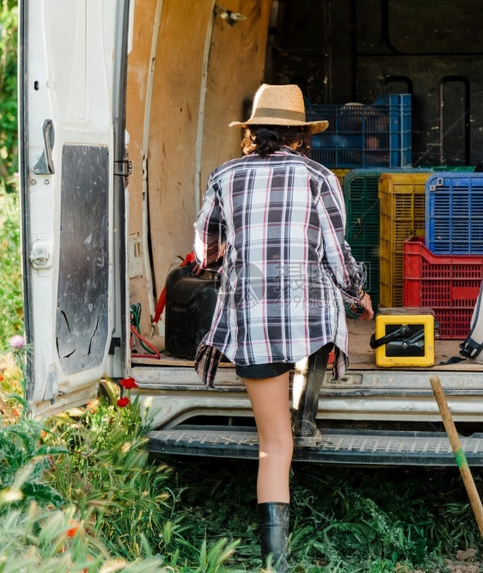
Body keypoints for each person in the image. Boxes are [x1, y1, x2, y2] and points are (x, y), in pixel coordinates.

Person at [193, 83, 374, 572]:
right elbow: (338, 258)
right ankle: (309, 403)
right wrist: (359, 294)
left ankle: (275, 563)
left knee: (273, 446)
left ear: (252, 132)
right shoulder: (320, 178)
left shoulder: (223, 176)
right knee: (325, 317)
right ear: (301, 135)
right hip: (308, 318)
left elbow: (205, 253)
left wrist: (223, 258)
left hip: (252, 324)